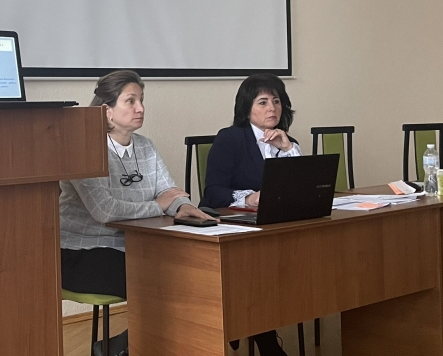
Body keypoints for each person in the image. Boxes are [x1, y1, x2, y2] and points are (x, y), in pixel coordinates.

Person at [59, 70, 215, 356]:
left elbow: (169, 191)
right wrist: (159, 206)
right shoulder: (82, 147)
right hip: (83, 254)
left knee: (200, 271)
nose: (140, 108)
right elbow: (105, 210)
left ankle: (120, 346)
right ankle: (124, 347)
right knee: (169, 280)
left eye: (141, 100)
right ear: (106, 110)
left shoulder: (145, 146)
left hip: (135, 246)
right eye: (130, 101)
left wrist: (185, 207)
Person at [200, 72, 300, 356]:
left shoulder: (286, 140)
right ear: (247, 109)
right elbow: (213, 191)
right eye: (263, 102)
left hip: (271, 226)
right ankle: (264, 339)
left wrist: (288, 149)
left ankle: (246, 324)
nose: (272, 108)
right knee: (256, 265)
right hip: (232, 225)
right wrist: (249, 197)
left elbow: (300, 187)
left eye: (276, 101)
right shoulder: (230, 138)